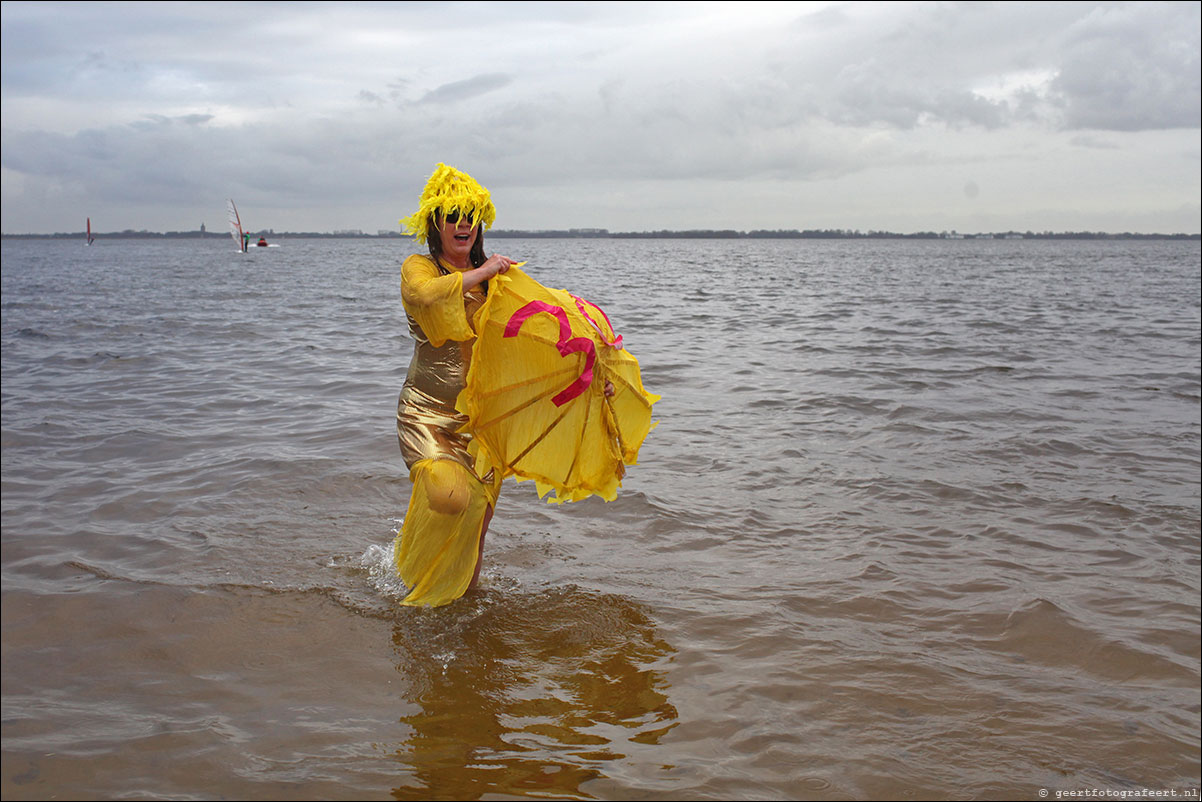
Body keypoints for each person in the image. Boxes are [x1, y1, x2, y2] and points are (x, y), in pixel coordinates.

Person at [393, 164, 520, 607]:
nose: (462, 223)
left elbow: (534, 332)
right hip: (426, 414)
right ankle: (413, 568)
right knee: (450, 497)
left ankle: (464, 602)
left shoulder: (496, 279)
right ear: (436, 223)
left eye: (469, 214)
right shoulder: (418, 268)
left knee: (477, 527)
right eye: (452, 214)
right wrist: (485, 274)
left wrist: (586, 366)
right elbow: (428, 298)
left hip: (481, 421)